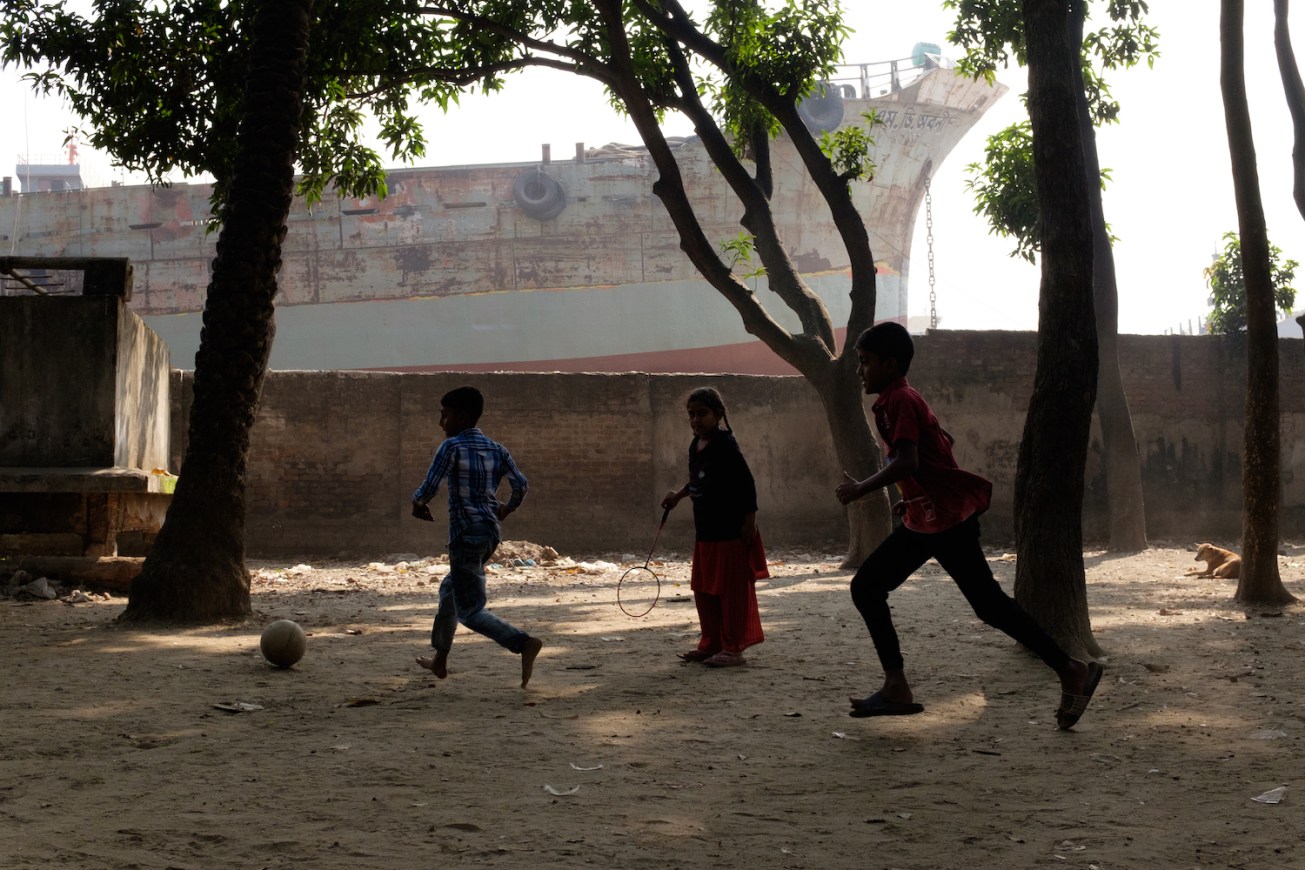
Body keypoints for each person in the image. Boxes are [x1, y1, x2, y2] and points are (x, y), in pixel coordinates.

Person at [834, 322, 1103, 728]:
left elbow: (909, 460)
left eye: (866, 362)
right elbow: (932, 451)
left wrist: (861, 490)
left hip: (945, 521)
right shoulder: (897, 398)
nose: (860, 371)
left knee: (878, 589)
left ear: (890, 364)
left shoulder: (900, 400)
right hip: (932, 518)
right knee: (975, 603)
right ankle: (1068, 669)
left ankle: (1069, 669)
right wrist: (910, 497)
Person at [410, 385, 543, 688]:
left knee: (469, 610)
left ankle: (523, 643)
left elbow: (430, 486)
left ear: (462, 417)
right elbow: (520, 485)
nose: (441, 422)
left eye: (445, 415)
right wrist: (506, 509)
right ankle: (440, 661)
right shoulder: (497, 449)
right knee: (450, 591)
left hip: (465, 534)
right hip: (489, 534)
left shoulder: (452, 447)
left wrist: (417, 503)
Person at [661, 387, 768, 668]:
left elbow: (747, 483)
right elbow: (696, 480)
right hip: (705, 533)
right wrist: (678, 496)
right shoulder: (694, 446)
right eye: (691, 415)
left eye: (702, 413)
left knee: (730, 593)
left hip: (730, 531)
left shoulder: (726, 445)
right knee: (705, 590)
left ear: (719, 415)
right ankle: (712, 644)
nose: (696, 420)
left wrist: (750, 522)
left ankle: (733, 649)